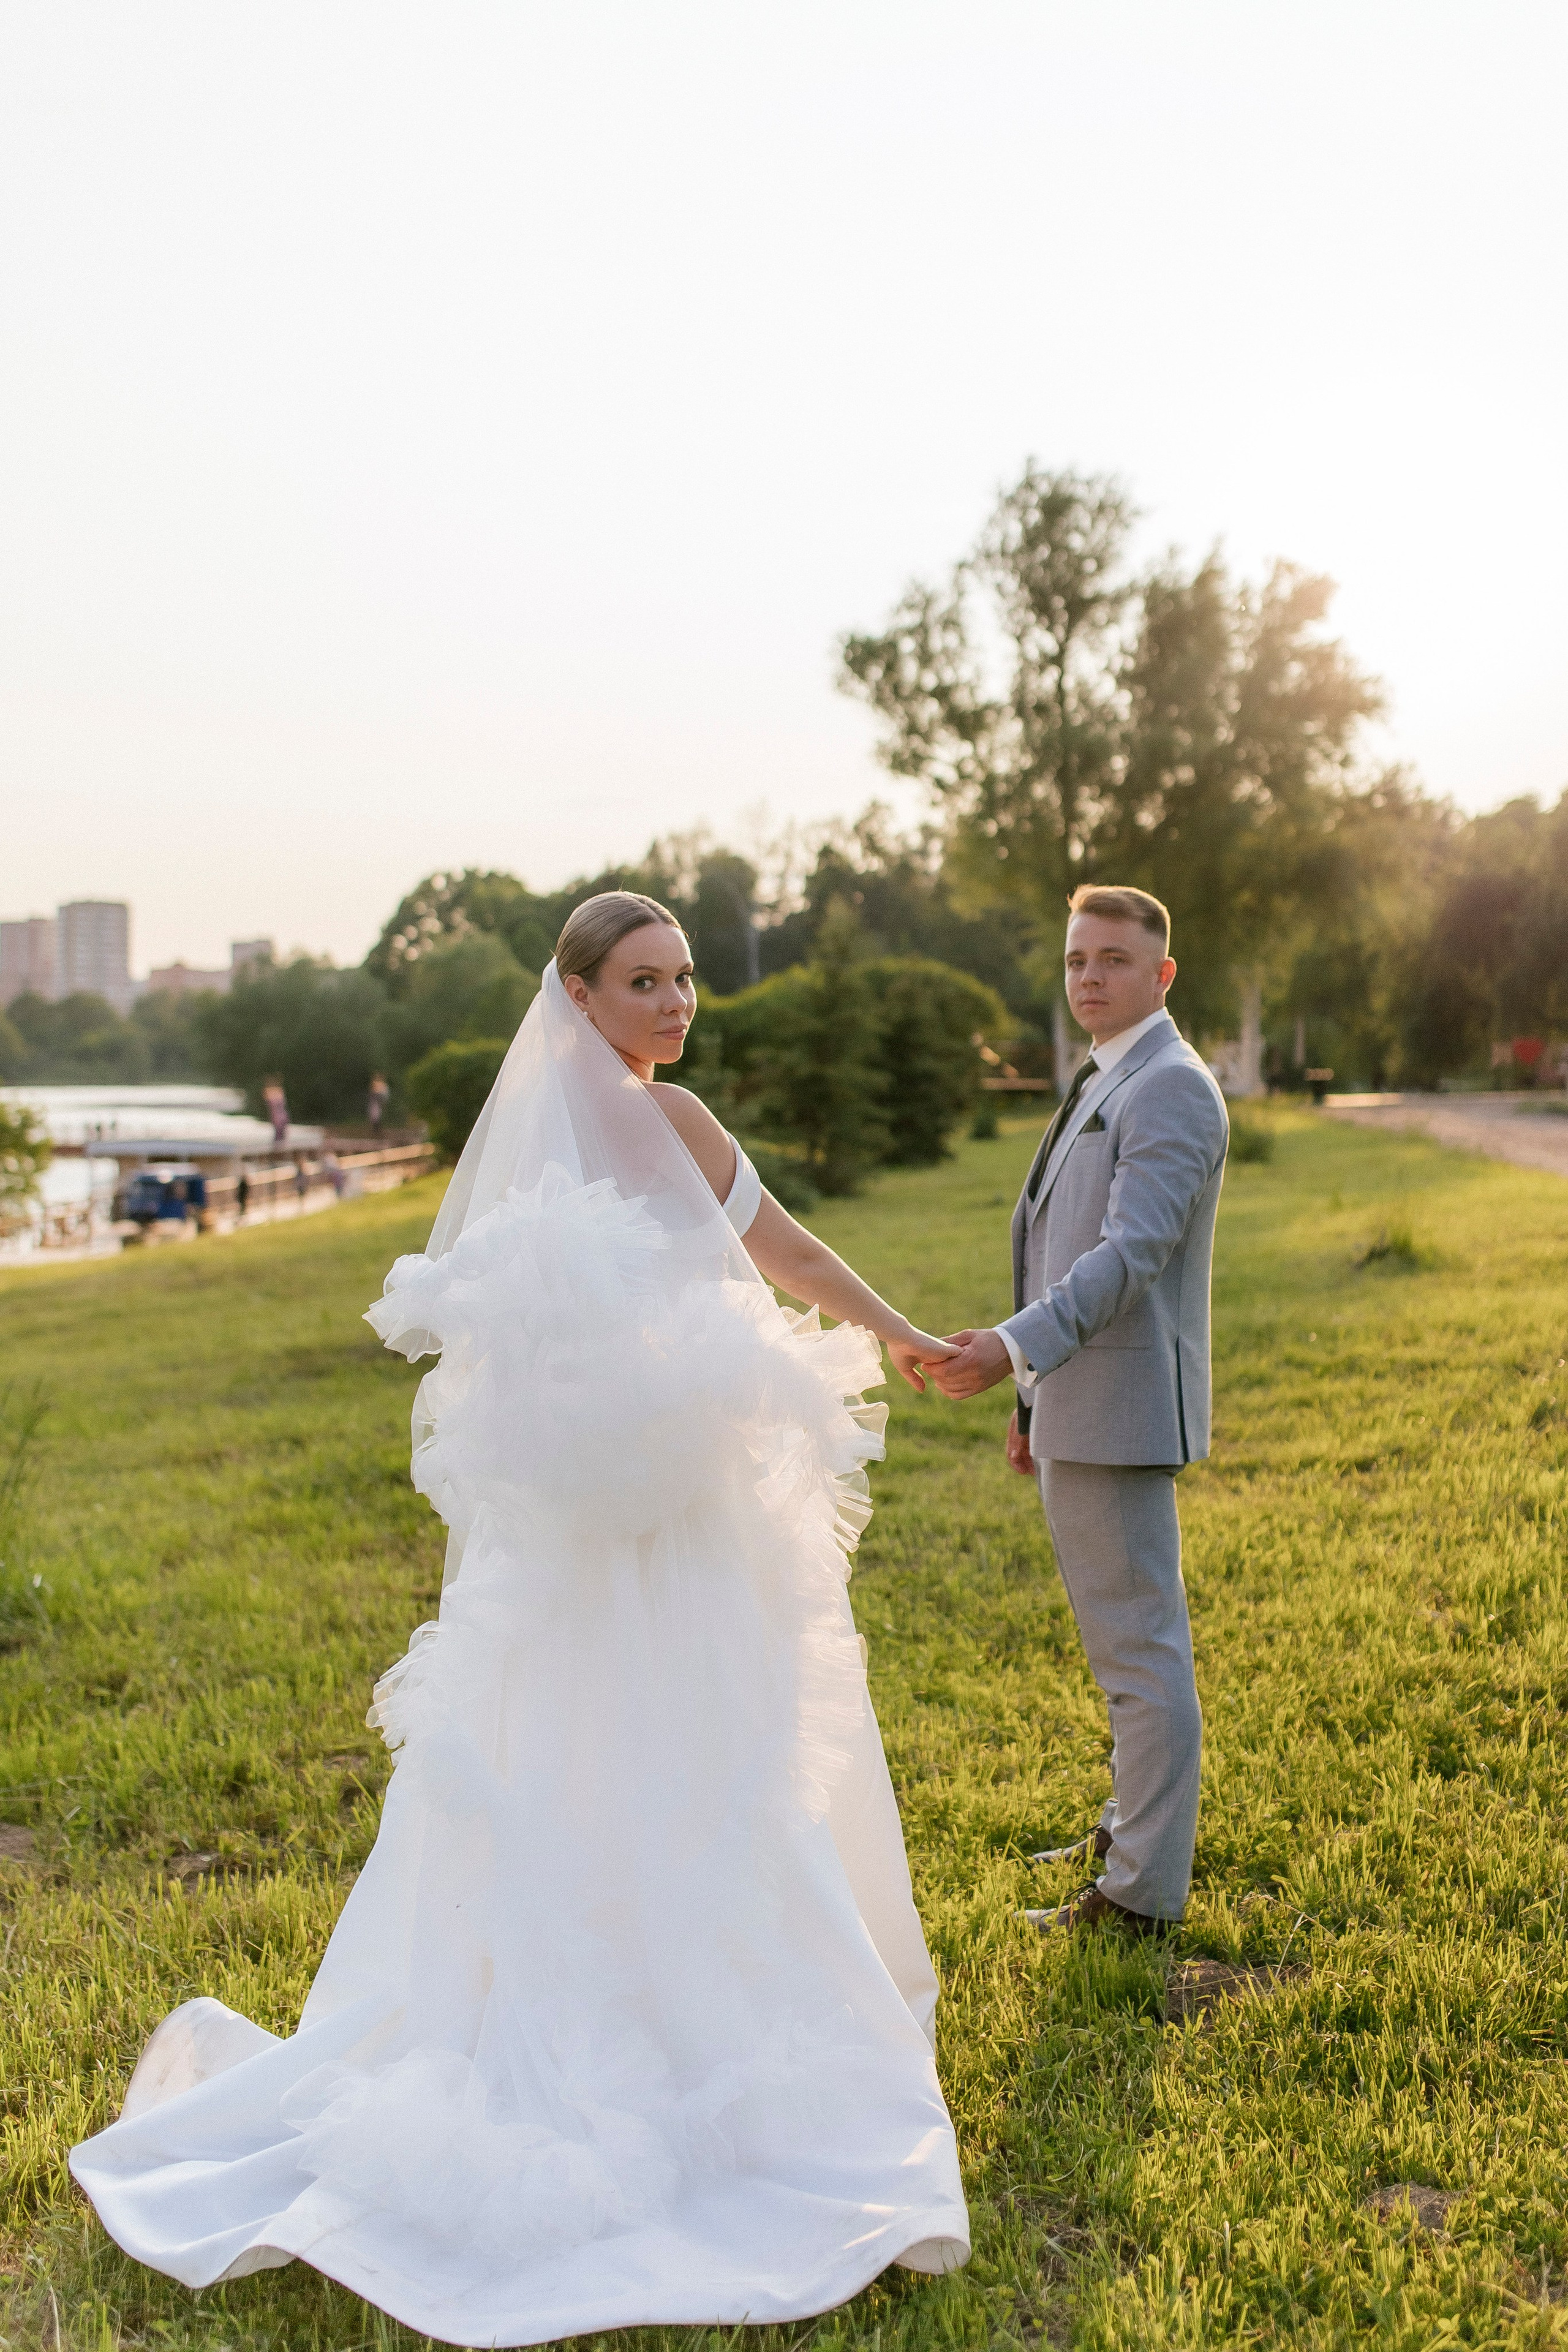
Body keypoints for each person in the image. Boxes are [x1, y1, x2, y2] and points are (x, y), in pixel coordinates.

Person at [72, 891, 970, 2345]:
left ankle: (716, 2031)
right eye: (643, 981)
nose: (674, 1005)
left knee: (704, 1777)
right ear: (578, 992)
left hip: (676, 1536)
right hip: (611, 1543)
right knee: (601, 1779)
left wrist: (907, 1339)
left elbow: (789, 1256)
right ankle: (622, 2061)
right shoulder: (571, 1148)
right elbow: (514, 1370)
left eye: (684, 980)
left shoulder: (669, 1124)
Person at [930, 884, 1228, 1937]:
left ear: (1163, 973)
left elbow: (1128, 1257)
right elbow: (1049, 1237)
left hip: (1126, 1409)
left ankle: (1142, 1893)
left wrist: (1013, 1345)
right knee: (1121, 1650)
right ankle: (1129, 1826)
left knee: (1143, 1653)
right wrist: (1029, 1400)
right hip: (1074, 1402)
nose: (1089, 977)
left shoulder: (1172, 1088)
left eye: (1112, 959)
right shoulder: (1107, 1074)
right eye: (1076, 961)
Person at [367, 1072, 390, 1136]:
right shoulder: (379, 1086)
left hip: (378, 1101)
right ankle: (376, 1129)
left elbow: (384, 1095)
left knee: (376, 1115)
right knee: (375, 1115)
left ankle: (377, 1129)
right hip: (376, 1102)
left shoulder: (382, 1086)